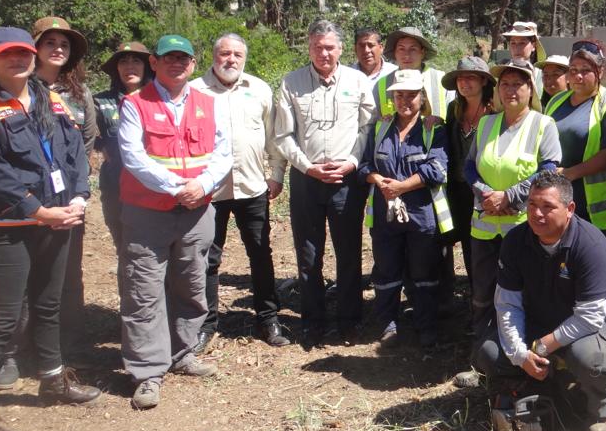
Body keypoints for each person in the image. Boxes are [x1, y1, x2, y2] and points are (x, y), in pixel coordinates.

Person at [0, 27, 99, 431]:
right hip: (9, 227)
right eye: (7, 55)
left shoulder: (47, 97)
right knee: (1, 318)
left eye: (22, 54)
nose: (17, 60)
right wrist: (37, 210)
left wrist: (78, 196)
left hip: (58, 217)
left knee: (50, 303)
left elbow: (72, 149)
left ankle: (53, 380)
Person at [117, 34, 232, 410]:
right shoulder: (135, 103)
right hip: (147, 212)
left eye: (183, 58)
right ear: (154, 62)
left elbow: (222, 152)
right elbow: (133, 157)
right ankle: (147, 371)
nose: (176, 64)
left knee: (191, 282)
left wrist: (201, 185)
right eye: (168, 58)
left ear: (194, 63)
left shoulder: (208, 103)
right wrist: (176, 187)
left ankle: (183, 352)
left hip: (197, 210)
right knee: (144, 291)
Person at [473, 171, 606, 431]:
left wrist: (543, 346)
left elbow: (590, 316)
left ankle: (599, 412)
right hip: (532, 324)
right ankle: (530, 386)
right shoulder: (516, 241)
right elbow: (507, 304)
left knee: (594, 360)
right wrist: (520, 355)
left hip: (579, 328)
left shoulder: (591, 246)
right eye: (531, 205)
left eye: (548, 207)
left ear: (569, 209)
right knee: (489, 353)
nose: (537, 214)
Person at [457, 59, 561, 387]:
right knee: (483, 294)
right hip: (485, 225)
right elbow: (470, 166)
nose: (511, 90)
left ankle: (526, 358)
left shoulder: (543, 125)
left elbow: (549, 170)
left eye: (519, 84)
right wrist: (487, 193)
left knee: (523, 294)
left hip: (524, 227)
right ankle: (482, 359)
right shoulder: (487, 124)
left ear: (532, 90)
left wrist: (510, 196)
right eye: (505, 84)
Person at [276, 20, 376, 346]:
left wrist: (351, 162)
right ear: (309, 48)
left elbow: (367, 129)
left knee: (348, 252)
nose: (324, 53)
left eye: (330, 47)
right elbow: (283, 135)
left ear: (341, 49)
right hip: (307, 180)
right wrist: (307, 167)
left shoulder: (359, 82)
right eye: (317, 46)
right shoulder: (291, 83)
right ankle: (313, 322)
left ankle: (349, 320)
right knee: (308, 254)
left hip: (346, 181)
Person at [190, 34, 289, 352]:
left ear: (244, 58)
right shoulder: (193, 91)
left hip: (252, 186)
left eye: (237, 54)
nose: (230, 59)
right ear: (213, 56)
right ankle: (205, 325)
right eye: (224, 53)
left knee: (260, 253)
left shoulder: (258, 89)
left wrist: (276, 174)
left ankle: (268, 318)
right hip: (209, 191)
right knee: (207, 258)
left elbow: (273, 136)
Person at [544, 41, 606, 357]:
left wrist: (570, 173)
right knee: (564, 275)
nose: (578, 76)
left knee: (604, 280)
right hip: (561, 206)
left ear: (599, 72)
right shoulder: (556, 103)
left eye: (586, 71)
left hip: (598, 210)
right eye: (574, 70)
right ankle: (569, 347)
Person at [361, 70, 451, 352]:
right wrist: (378, 180)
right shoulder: (380, 128)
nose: (405, 100)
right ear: (392, 98)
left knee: (423, 271)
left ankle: (425, 325)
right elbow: (364, 166)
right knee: (386, 269)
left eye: (411, 95)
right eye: (399, 95)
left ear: (421, 97)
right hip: (385, 215)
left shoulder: (433, 129)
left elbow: (437, 168)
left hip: (420, 213)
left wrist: (401, 186)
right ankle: (388, 322)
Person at [32, 16, 96, 354]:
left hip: (70, 198)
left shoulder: (78, 93)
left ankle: (70, 341)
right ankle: (19, 347)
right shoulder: (18, 87)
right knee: (27, 270)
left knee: (70, 270)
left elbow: (85, 145)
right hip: (29, 199)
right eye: (50, 42)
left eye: (64, 44)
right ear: (36, 47)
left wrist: (79, 195)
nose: (58, 49)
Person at [442, 57, 497, 300]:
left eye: (471, 77)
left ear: (484, 81)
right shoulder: (453, 112)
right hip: (459, 191)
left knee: (490, 249)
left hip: (487, 189)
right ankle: (476, 303)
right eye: (460, 78)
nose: (464, 83)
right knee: (468, 247)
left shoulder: (496, 112)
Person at [94, 43, 153, 253]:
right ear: (116, 68)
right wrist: (102, 146)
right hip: (116, 186)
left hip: (156, 187)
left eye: (136, 61)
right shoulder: (100, 102)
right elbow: (86, 135)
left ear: (148, 66)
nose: (130, 66)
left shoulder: (161, 99)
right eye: (123, 61)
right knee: (125, 247)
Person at [375, 27, 451, 120]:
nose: (406, 55)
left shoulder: (441, 79)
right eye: (401, 49)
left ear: (422, 52)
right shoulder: (382, 83)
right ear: (395, 52)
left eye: (413, 49)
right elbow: (375, 121)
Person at [501, 21, 546, 95]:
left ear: (533, 46)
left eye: (522, 43)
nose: (517, 48)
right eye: (513, 43)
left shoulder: (541, 75)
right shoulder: (501, 72)